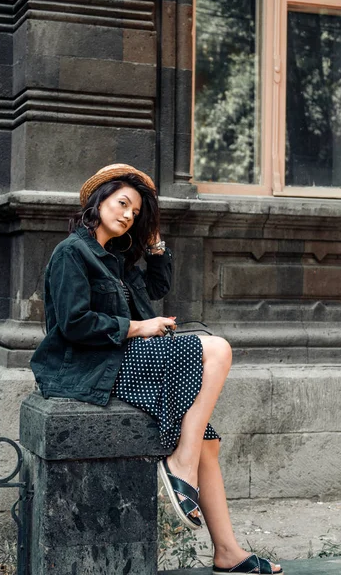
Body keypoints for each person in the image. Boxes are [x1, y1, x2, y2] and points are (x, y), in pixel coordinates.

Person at [31, 164, 283, 575]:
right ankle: (180, 464)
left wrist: (153, 243)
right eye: (122, 203)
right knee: (216, 349)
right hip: (90, 367)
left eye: (135, 211)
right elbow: (73, 325)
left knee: (207, 441)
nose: (128, 214)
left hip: (125, 358)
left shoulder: (115, 258)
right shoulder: (71, 253)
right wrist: (138, 326)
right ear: (99, 202)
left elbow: (155, 289)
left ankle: (228, 552)